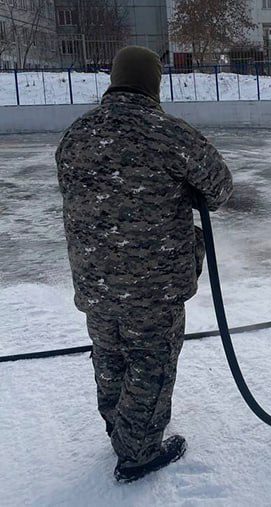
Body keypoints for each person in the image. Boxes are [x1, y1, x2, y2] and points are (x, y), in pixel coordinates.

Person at [55, 46, 233, 482]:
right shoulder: (169, 134)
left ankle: (119, 426)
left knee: (109, 354)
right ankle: (136, 453)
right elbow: (221, 187)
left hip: (94, 281)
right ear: (154, 83)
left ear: (114, 79)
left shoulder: (76, 135)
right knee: (150, 362)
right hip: (153, 286)